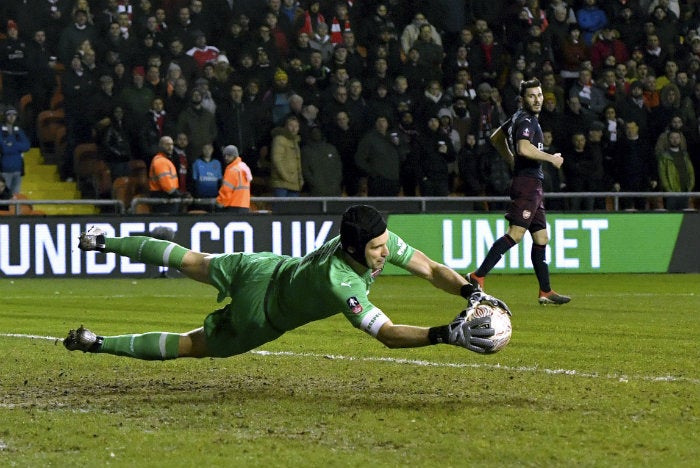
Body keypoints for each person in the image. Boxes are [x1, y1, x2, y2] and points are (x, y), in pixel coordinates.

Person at [64, 205, 505, 359]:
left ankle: (103, 240)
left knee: (193, 260)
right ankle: (98, 343)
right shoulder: (341, 284)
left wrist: (470, 290)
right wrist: (444, 334)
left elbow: (430, 268)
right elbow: (387, 335)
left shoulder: (367, 240)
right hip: (262, 315)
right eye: (376, 249)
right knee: (191, 345)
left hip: (263, 268)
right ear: (353, 249)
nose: (385, 253)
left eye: (384, 243)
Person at [469, 78, 571, 306]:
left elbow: (496, 137)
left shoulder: (518, 117)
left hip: (532, 183)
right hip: (527, 184)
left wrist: (510, 160)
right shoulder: (526, 120)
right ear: (523, 99)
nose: (537, 100)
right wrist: (550, 158)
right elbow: (524, 148)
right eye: (531, 96)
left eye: (539, 95)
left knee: (541, 237)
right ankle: (478, 275)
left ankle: (545, 291)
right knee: (515, 234)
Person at [148, 135, 187, 214]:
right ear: (160, 146)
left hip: (167, 198)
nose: (170, 147)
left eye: (172, 144)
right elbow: (167, 186)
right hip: (163, 199)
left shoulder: (165, 160)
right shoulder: (161, 161)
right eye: (167, 144)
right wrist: (178, 194)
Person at [0, 107, 31, 195]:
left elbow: (27, 146)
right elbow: (4, 149)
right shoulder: (0, 130)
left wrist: (12, 144)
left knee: (16, 197)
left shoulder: (18, 130)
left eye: (14, 114)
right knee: (4, 195)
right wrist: (18, 147)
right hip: (4, 169)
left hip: (18, 169)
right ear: (5, 116)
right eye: (9, 114)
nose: (11, 117)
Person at [215, 144, 252, 213]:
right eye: (225, 155)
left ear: (235, 156)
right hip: (245, 206)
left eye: (229, 155)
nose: (226, 158)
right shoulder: (244, 167)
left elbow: (226, 190)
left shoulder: (232, 170)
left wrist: (219, 202)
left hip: (233, 206)